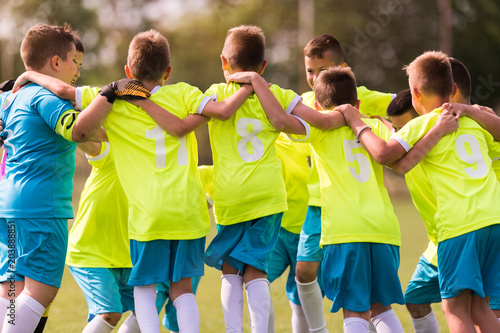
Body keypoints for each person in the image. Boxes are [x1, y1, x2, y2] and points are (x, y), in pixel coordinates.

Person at [201, 25, 348, 333]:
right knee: (256, 269)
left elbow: (186, 121)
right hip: (269, 198)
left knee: (230, 270)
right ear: (264, 66)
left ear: (224, 62)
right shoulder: (279, 94)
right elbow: (314, 125)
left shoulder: (215, 93)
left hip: (231, 196)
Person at [340, 50, 500, 333]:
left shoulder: (422, 123)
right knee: (481, 310)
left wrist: (357, 122)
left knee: (455, 309)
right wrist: (475, 110)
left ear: (415, 93)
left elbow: (384, 155)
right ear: (453, 88)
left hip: (460, 225)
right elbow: (402, 165)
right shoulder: (475, 121)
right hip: (493, 220)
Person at [0, 23, 122, 333]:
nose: (77, 71)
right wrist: (108, 95)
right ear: (56, 62)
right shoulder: (46, 98)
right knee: (40, 292)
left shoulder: (12, 98)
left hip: (9, 207)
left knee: (11, 289)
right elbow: (78, 130)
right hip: (41, 209)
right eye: (73, 62)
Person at [295, 33, 397, 333]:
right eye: (310, 71)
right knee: (304, 272)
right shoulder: (305, 101)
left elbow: (407, 101)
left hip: (344, 215)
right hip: (319, 204)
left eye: (321, 70)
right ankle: (317, 329)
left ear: (343, 68)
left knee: (357, 303)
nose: (314, 78)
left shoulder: (362, 95)